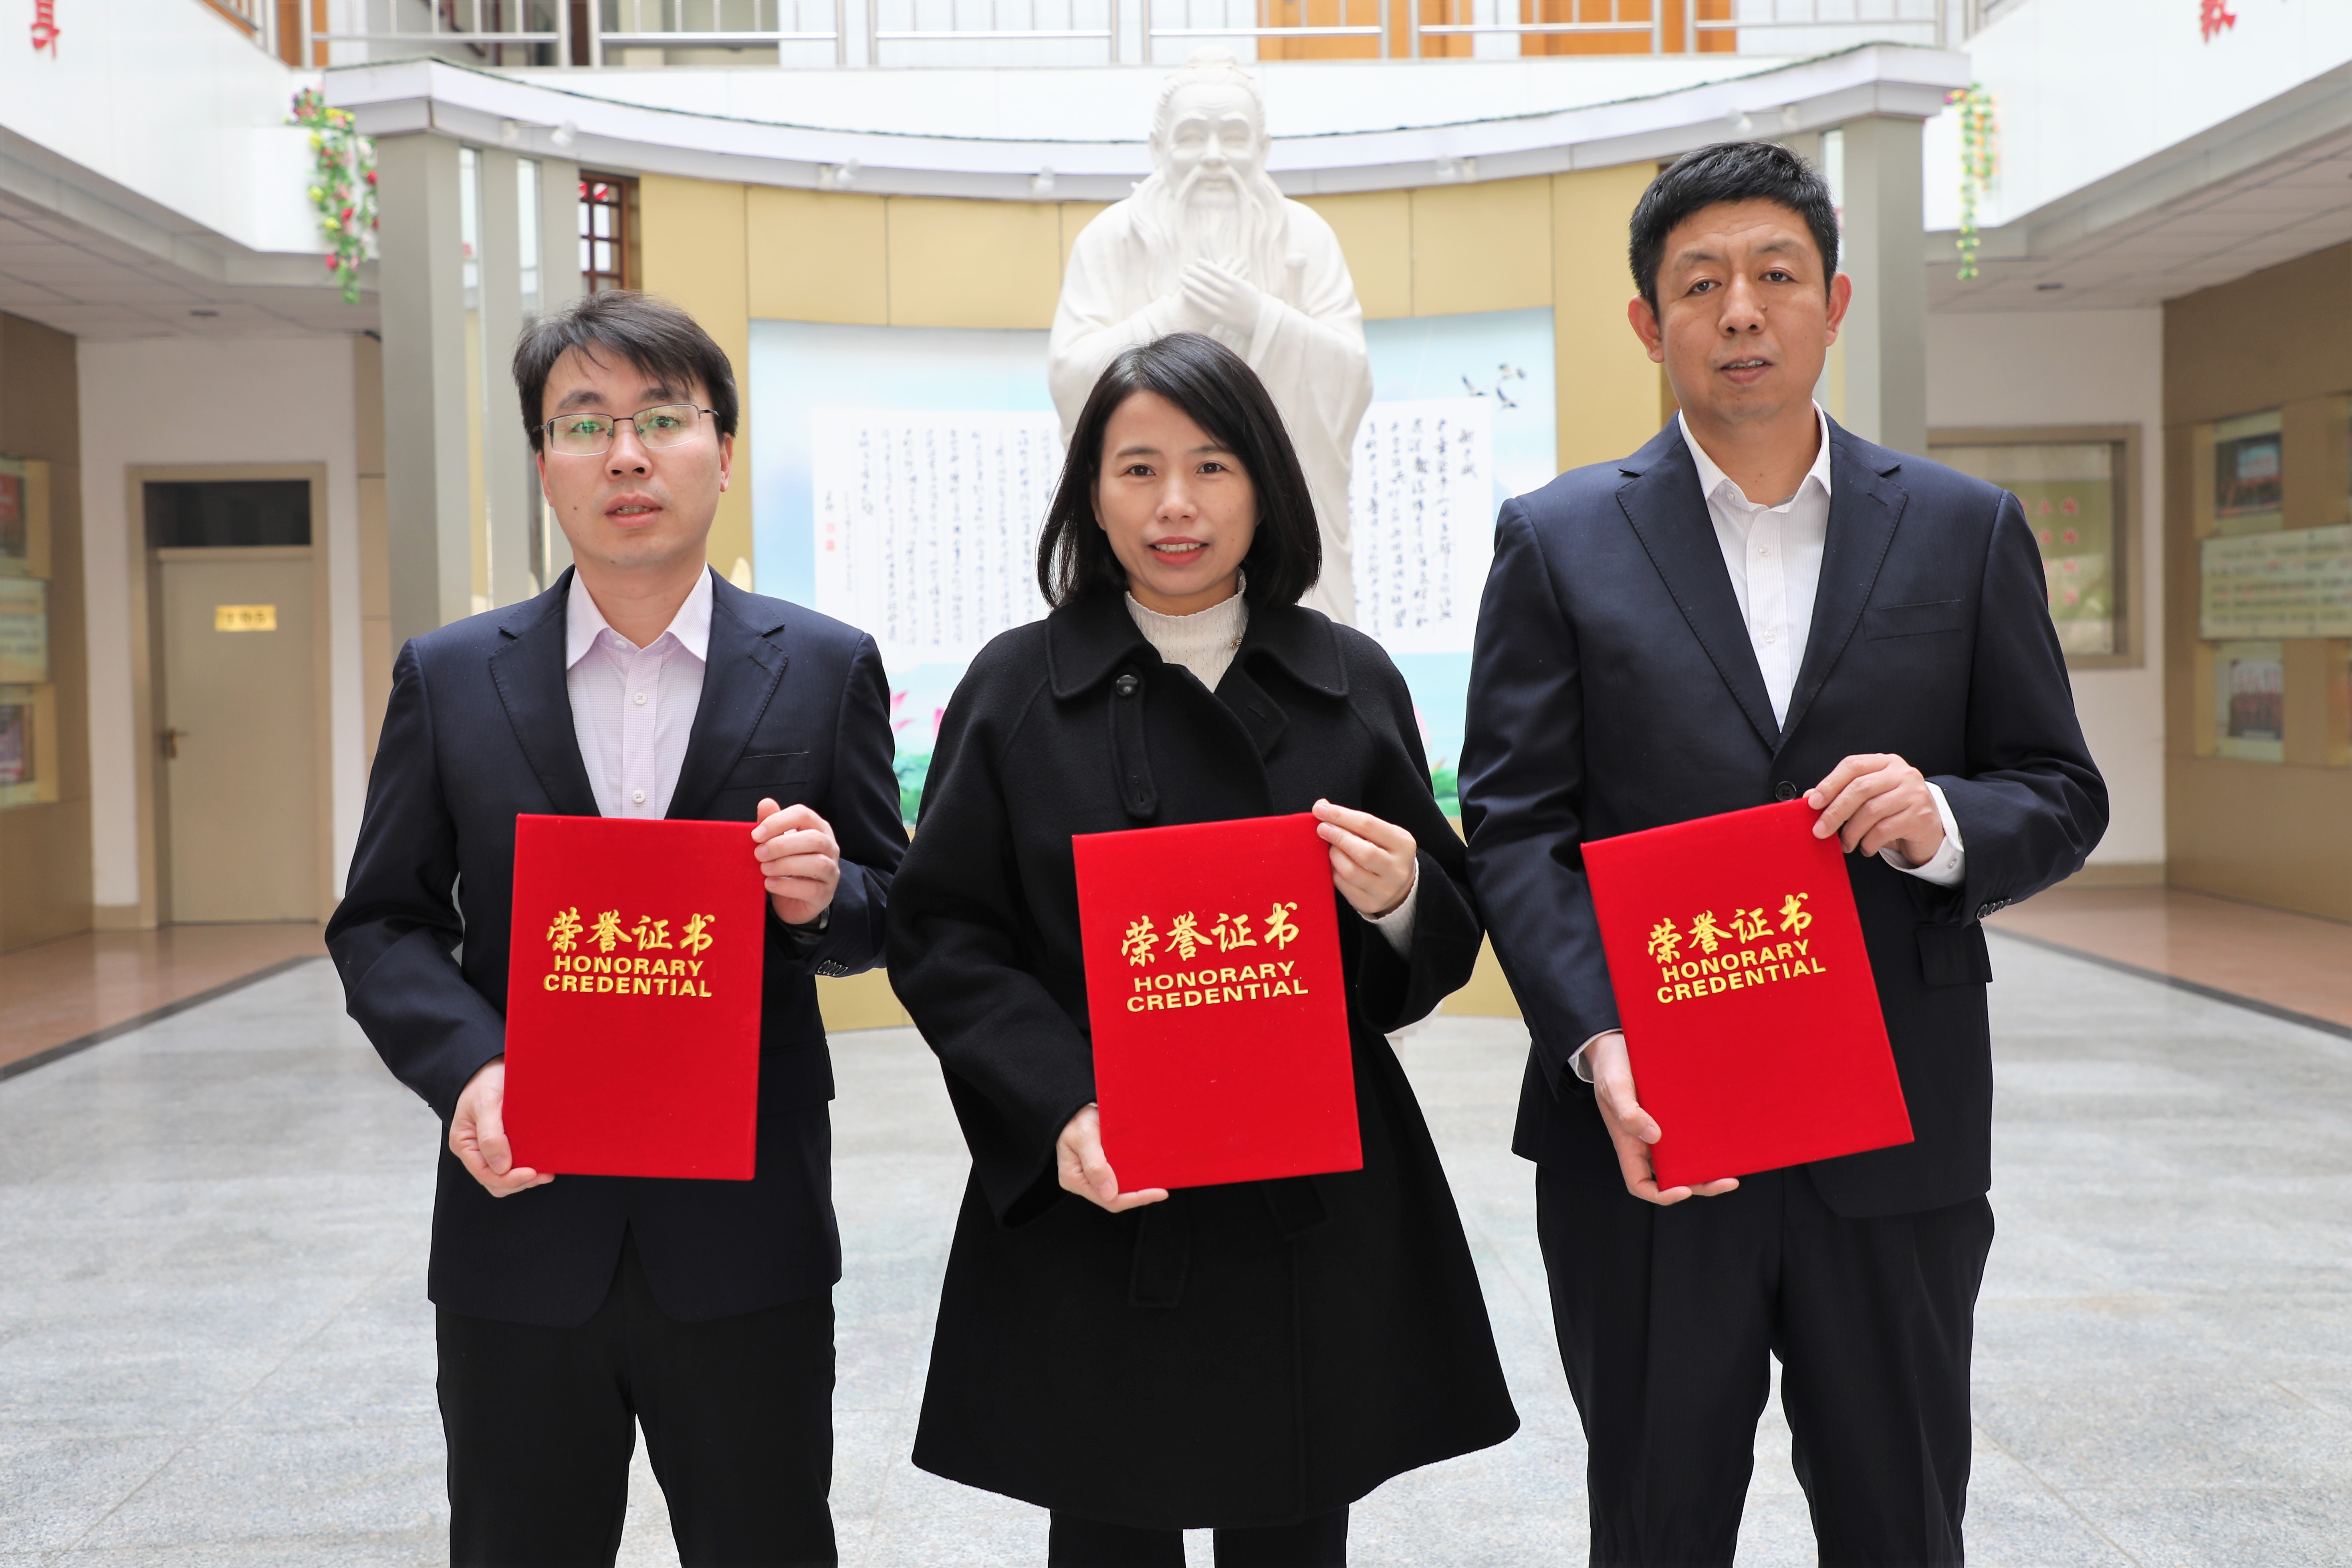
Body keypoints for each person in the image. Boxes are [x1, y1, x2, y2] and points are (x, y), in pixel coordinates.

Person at [1458, 142, 2107, 1567]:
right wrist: (1597, 1040)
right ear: (1650, 322)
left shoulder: (1962, 529)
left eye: (1775, 275)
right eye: (1700, 283)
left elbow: (2060, 791)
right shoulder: (1557, 541)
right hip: (1647, 1136)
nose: (1740, 309)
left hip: (1893, 1127)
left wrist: (1943, 822)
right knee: (1655, 1523)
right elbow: (1513, 824)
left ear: (1835, 303)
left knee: (1900, 1520)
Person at [887, 331, 1518, 1566]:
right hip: (1101, 1182)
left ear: (1263, 488)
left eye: (1211, 466)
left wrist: (1397, 897)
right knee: (1106, 1521)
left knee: (1293, 1514)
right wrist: (1057, 1103)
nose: (1174, 503)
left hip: (1305, 1199)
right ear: (1090, 495)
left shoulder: (1348, 677)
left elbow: (1442, 921)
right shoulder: (1015, 688)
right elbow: (944, 932)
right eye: (1137, 468)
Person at [325, 289, 906, 1568]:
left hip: (744, 1231)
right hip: (520, 1221)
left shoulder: (822, 667)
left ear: (722, 450)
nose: (626, 455)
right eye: (583, 424)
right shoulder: (451, 676)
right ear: (543, 463)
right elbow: (381, 923)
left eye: (662, 419)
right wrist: (471, 1068)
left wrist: (826, 898)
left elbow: (898, 908)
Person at [1049, 47, 1374, 625]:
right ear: (1158, 147)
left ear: (1263, 148)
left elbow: (1350, 377)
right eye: (1193, 137)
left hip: (1284, 544)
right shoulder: (1110, 240)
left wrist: (1261, 317)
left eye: (1234, 137)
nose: (1215, 157)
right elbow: (1072, 379)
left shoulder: (1304, 236)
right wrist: (1173, 315)